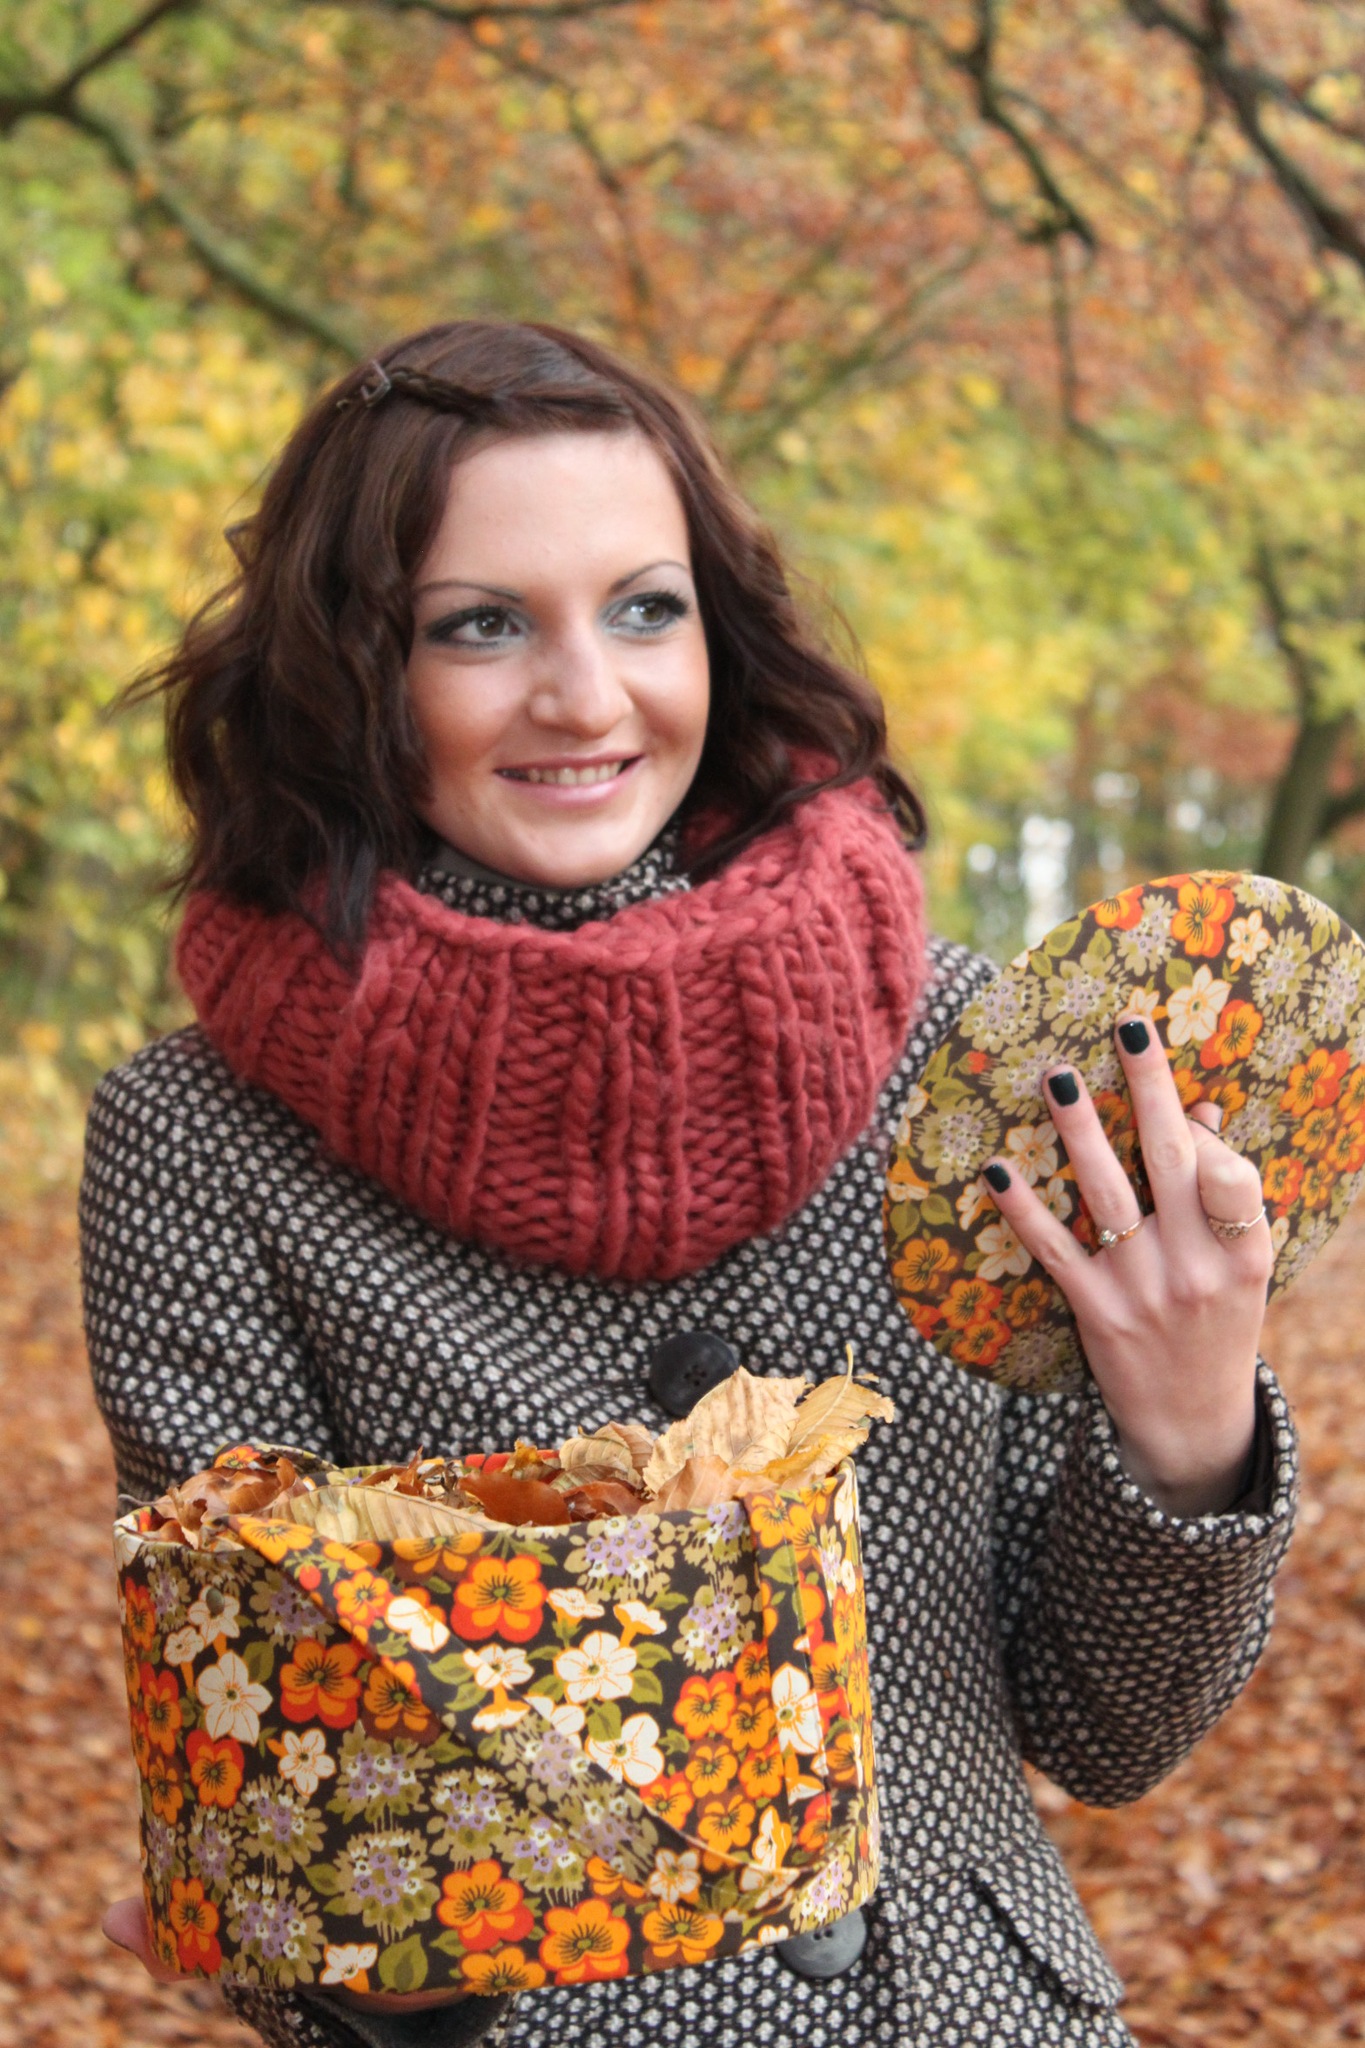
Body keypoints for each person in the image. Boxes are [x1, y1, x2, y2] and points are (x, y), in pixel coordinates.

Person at [81, 320, 1296, 2048]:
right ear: (348, 669)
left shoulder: (965, 1054)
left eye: (643, 609)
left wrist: (1186, 1430)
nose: (586, 696)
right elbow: (285, 1826)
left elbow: (1108, 1732)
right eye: (480, 625)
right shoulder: (199, 1141)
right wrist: (337, 1932)